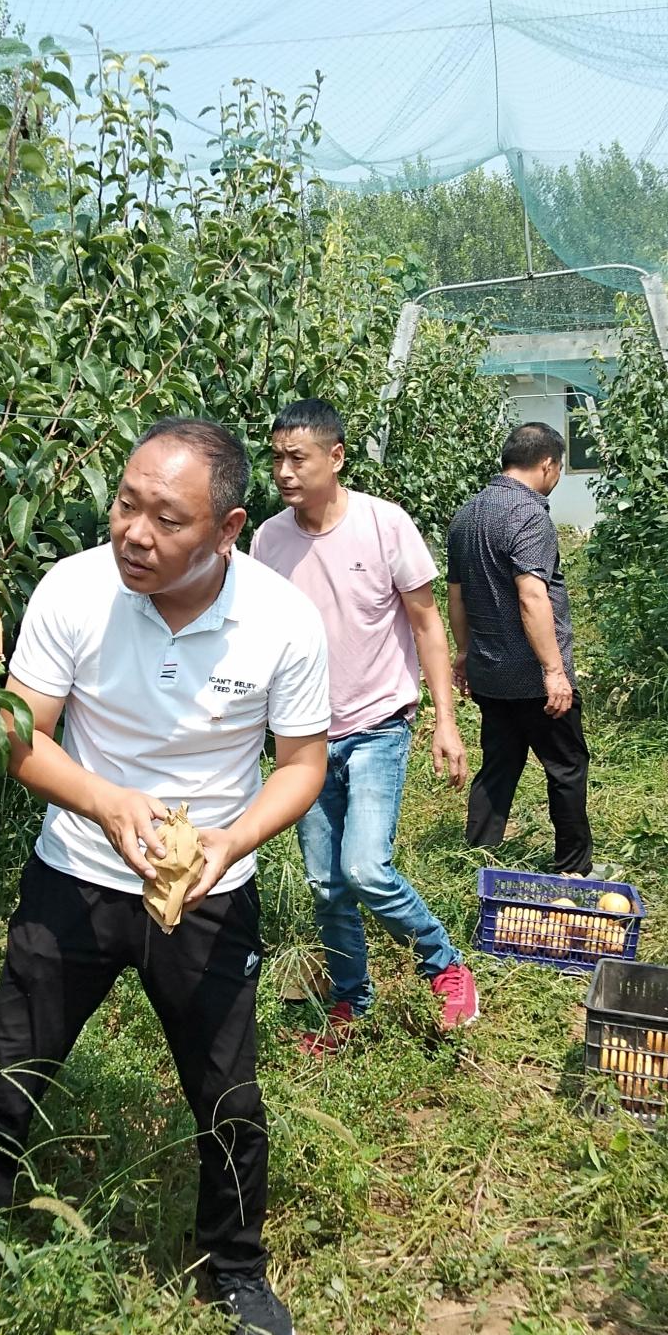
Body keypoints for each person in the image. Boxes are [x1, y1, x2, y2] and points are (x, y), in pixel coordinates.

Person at [0, 417, 330, 1335]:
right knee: (7, 1076)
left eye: (167, 518)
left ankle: (236, 1272)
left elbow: (302, 765)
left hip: (209, 889)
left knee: (226, 1095)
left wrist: (227, 841)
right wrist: (105, 801)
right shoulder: (75, 589)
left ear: (228, 526)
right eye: (124, 504)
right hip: (75, 873)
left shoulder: (281, 619)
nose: (134, 534)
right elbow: (17, 735)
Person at [251, 398, 478, 1053]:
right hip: (304, 737)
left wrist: (445, 720)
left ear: (335, 456)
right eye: (276, 458)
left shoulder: (384, 526)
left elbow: (427, 624)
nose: (285, 471)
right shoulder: (267, 541)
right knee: (325, 882)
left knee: (365, 868)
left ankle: (446, 965)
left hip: (378, 723)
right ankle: (351, 997)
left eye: (297, 457)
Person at [446, 422, 593, 876]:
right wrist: (553, 670)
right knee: (566, 766)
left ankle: (477, 855)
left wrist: (465, 653)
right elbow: (532, 595)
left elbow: (456, 595)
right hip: (532, 676)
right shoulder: (529, 516)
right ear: (548, 464)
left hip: (490, 672)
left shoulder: (468, 514)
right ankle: (573, 865)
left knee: (499, 763)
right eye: (560, 467)